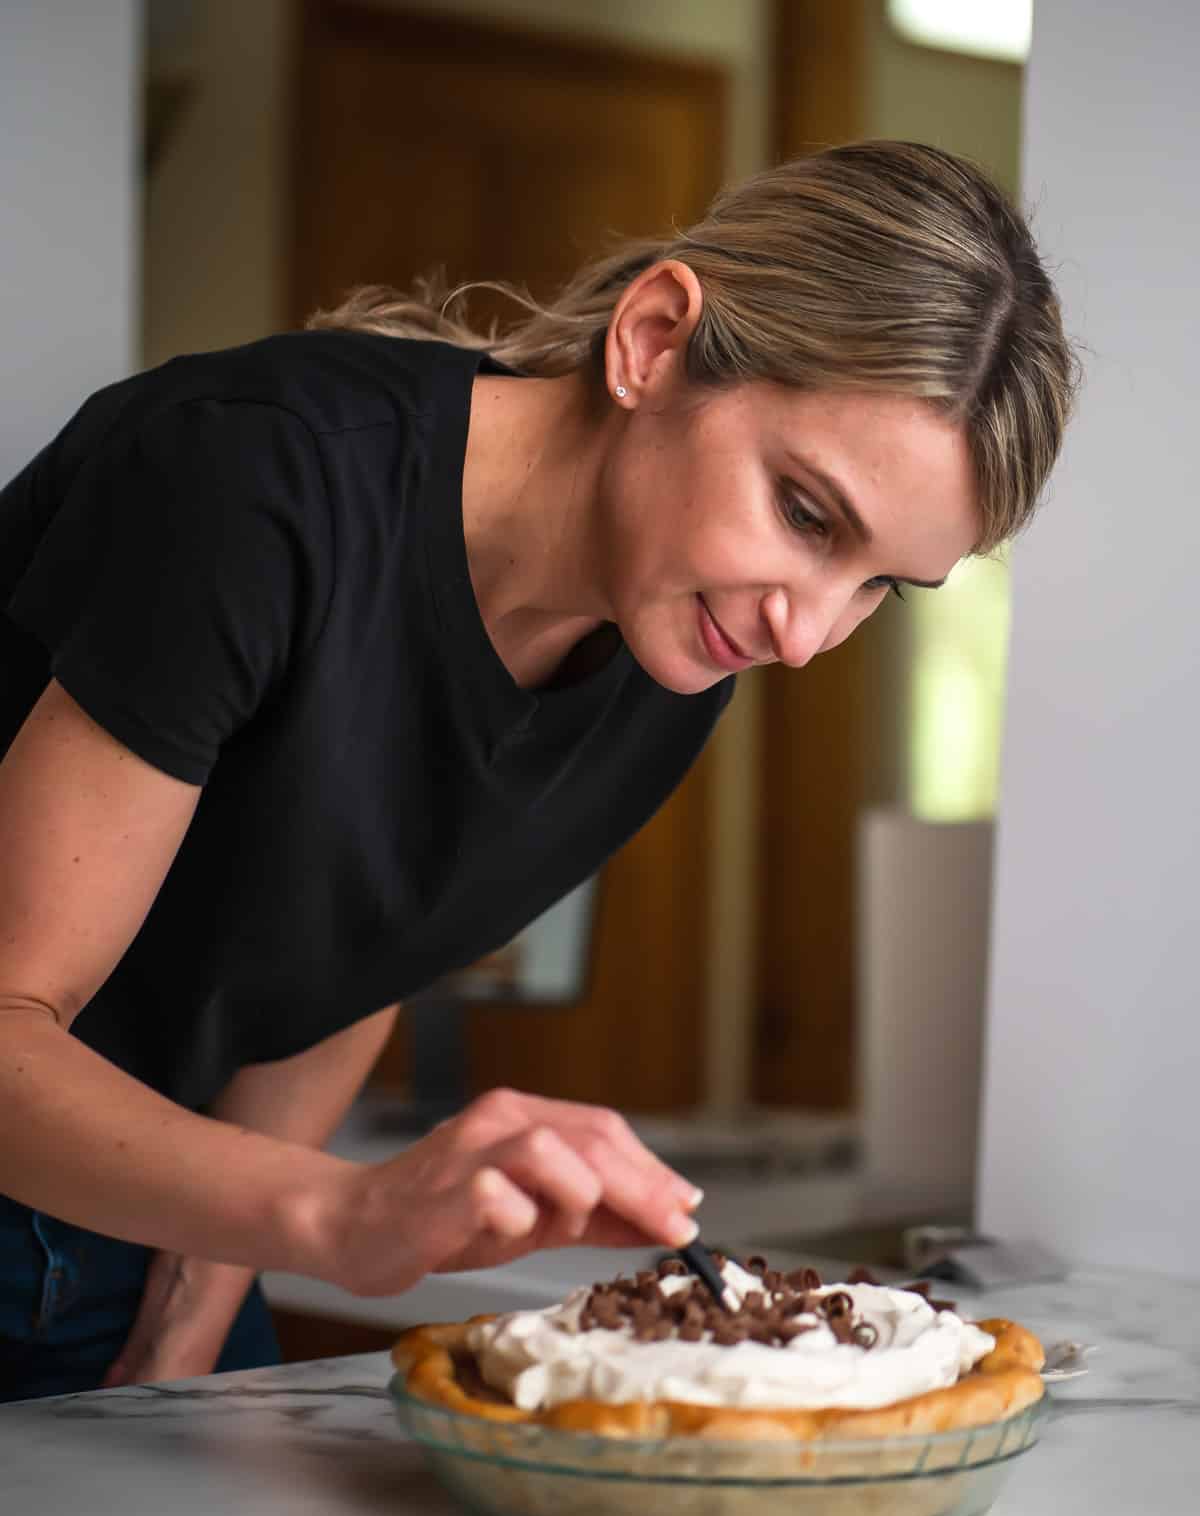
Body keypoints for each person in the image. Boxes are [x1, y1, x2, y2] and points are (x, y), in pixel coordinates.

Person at [0, 141, 1078, 1403]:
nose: (806, 635)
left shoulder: (669, 656)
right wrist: (338, 1215)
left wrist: (187, 1328)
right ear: (657, 339)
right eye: (805, 513)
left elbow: (348, 957)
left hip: (153, 1220)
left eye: (881, 586)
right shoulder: (248, 481)